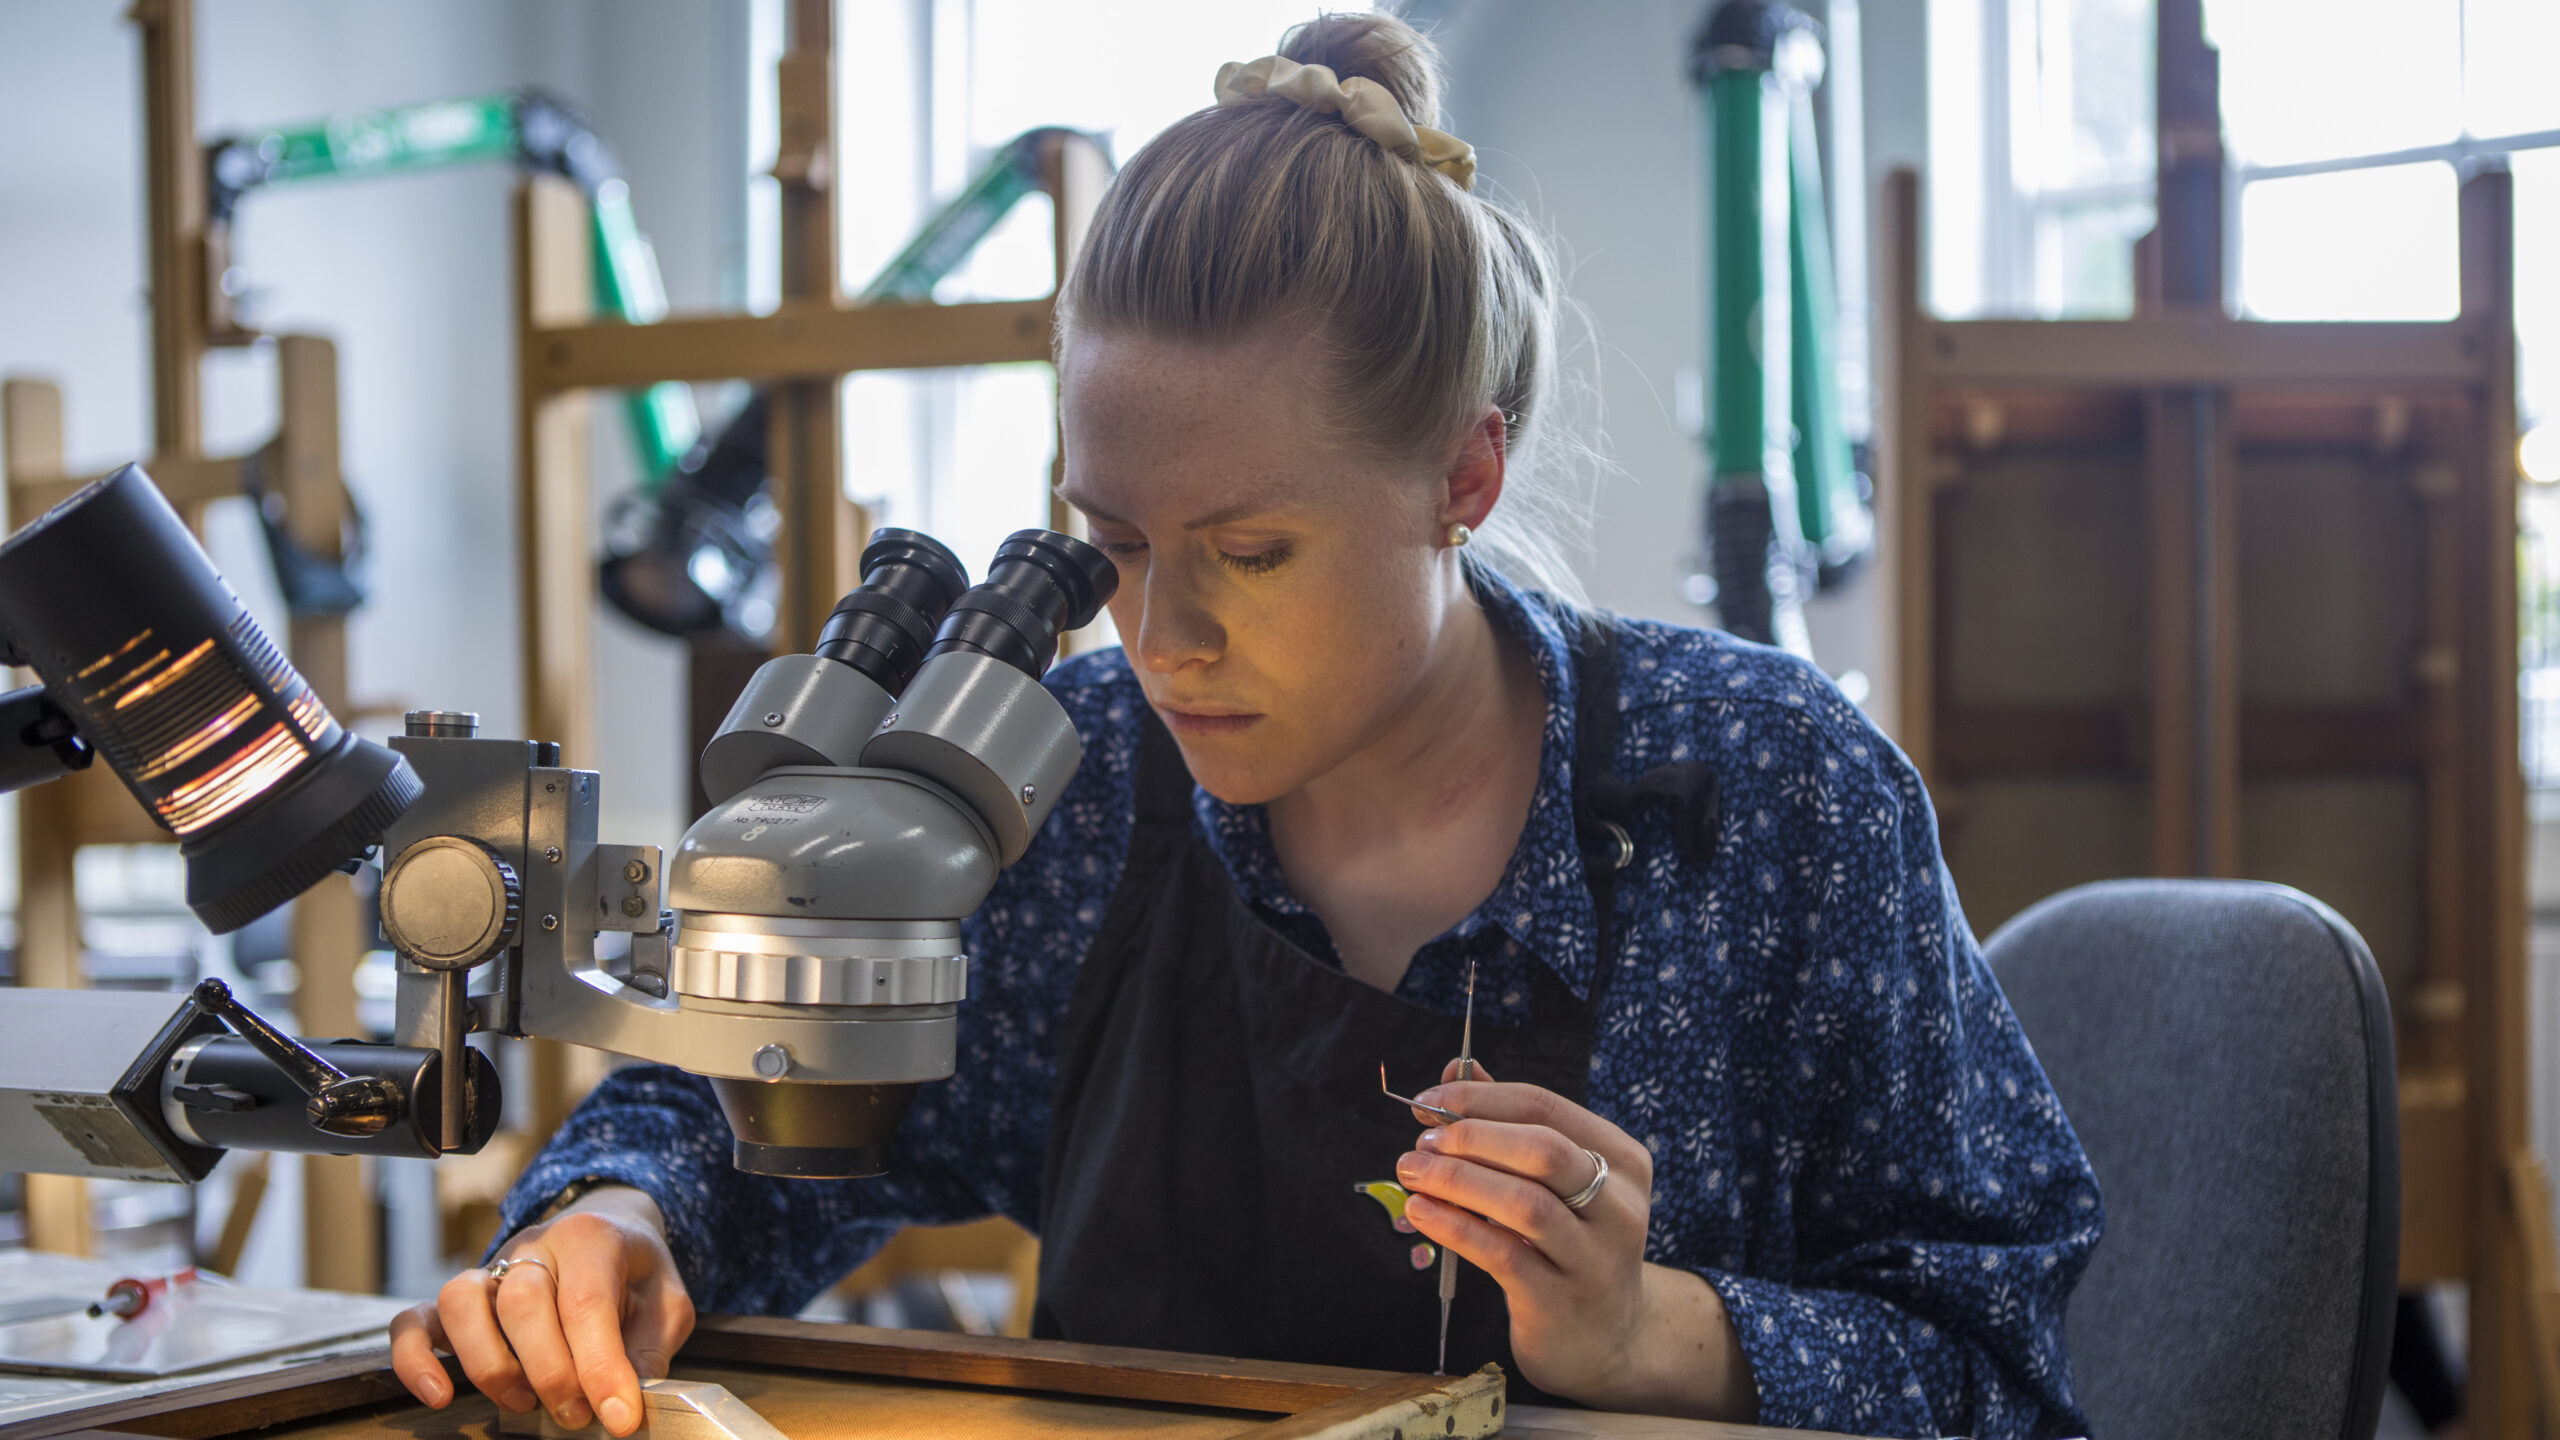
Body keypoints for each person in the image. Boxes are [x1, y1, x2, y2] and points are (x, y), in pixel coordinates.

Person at [389, 14, 2100, 1438]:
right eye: (1114, 547)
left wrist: (1653, 1334)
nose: (1162, 635)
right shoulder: (1069, 784)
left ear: (1464, 476)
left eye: (1251, 554)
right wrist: (617, 1219)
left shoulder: (1776, 793)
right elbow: (753, 1112)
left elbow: (2006, 1363)